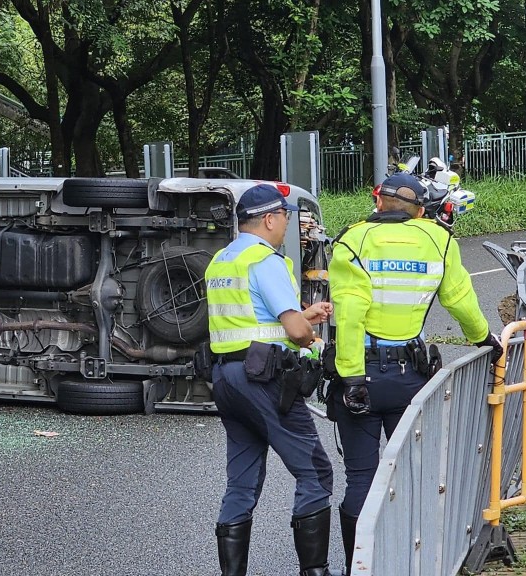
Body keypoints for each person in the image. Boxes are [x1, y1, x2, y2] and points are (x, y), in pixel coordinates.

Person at [327, 172, 503, 575]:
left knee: (360, 479)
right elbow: (460, 300)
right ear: (421, 210)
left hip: (363, 378)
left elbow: (350, 314)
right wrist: (483, 339)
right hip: (411, 377)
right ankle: (414, 562)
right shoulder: (439, 241)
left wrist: (352, 378)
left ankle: (361, 568)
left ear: (378, 203)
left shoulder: (352, 240)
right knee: (415, 475)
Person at [206, 183, 336, 576]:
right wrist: (312, 336)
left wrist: (302, 316)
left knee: (242, 480)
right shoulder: (266, 261)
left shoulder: (222, 261)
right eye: (284, 218)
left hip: (226, 377)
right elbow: (295, 333)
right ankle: (315, 572)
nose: (286, 227)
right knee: (315, 471)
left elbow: (251, 321)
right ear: (269, 218)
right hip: (265, 379)